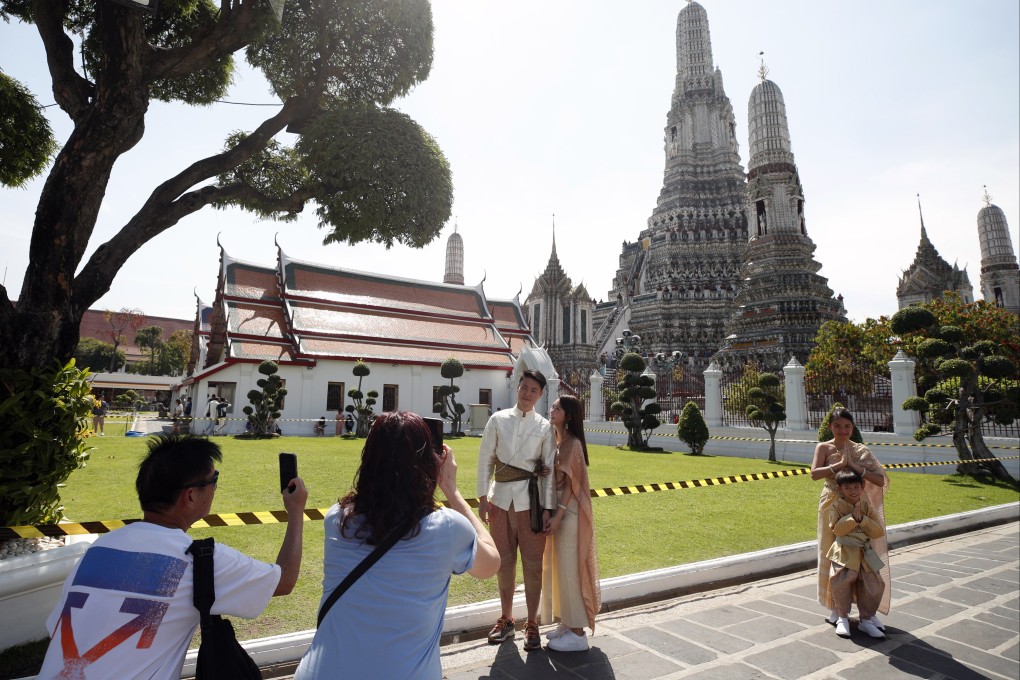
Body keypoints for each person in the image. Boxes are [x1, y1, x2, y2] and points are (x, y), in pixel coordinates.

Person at [37, 434, 308, 680]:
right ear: (190, 496)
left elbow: (56, 630)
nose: (215, 487)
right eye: (214, 480)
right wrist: (295, 511)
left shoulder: (98, 549)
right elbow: (283, 582)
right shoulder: (199, 560)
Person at [294, 412, 499, 680]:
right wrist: (451, 489)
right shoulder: (446, 527)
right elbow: (491, 563)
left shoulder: (338, 518)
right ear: (428, 462)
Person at [477, 369, 556, 651]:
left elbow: (548, 471)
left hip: (531, 504)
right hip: (500, 501)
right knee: (504, 563)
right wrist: (482, 497)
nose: (527, 393)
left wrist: (548, 509)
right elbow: (486, 458)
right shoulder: (498, 420)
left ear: (541, 394)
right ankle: (506, 619)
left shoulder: (545, 427)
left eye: (533, 390)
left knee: (533, 565)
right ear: (517, 388)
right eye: (524, 387)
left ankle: (532, 622)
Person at [811, 407, 890, 632]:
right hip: (831, 505)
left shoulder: (860, 450)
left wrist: (856, 468)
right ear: (830, 427)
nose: (842, 430)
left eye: (847, 426)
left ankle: (867, 611)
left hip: (858, 505)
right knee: (832, 553)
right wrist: (836, 466)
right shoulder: (823, 447)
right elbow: (814, 473)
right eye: (837, 426)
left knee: (863, 556)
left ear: (852, 428)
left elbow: (880, 480)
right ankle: (836, 609)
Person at [541, 395, 601, 652]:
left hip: (568, 512)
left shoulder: (573, 443)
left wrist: (558, 515)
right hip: (559, 510)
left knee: (569, 570)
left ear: (569, 414)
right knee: (560, 569)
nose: (552, 410)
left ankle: (578, 634)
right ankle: (567, 621)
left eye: (557, 407)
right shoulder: (558, 441)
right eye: (553, 406)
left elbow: (570, 486)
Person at [826, 469, 886, 639]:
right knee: (841, 583)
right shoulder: (837, 506)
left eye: (856, 487)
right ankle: (842, 618)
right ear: (839, 488)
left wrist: (863, 520)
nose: (852, 491)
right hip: (844, 552)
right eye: (847, 488)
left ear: (863, 486)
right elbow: (836, 528)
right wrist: (852, 518)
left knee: (874, 584)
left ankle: (866, 620)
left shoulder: (867, 506)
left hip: (865, 553)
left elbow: (877, 531)